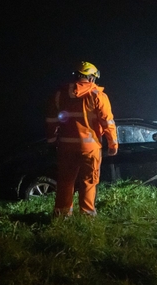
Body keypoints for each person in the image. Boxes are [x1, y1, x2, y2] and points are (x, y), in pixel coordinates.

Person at [45, 61, 118, 217]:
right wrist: (113, 144)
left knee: (65, 181)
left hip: (65, 147)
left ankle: (62, 215)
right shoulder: (98, 95)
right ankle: (87, 215)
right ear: (91, 78)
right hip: (90, 148)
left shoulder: (60, 95)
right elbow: (108, 122)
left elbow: (51, 121)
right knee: (89, 182)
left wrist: (51, 142)